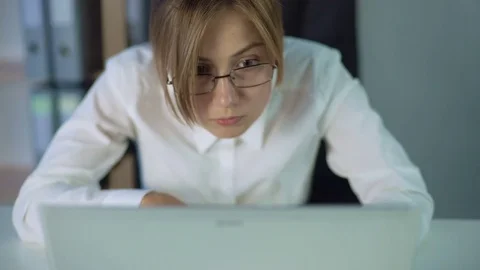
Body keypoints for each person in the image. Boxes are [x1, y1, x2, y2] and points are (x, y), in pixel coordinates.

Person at [13, 0, 434, 245]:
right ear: (163, 65)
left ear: (278, 51)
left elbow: (407, 200)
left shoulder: (318, 73)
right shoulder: (131, 78)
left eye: (249, 63)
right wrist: (140, 206)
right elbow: (32, 207)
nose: (226, 99)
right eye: (198, 70)